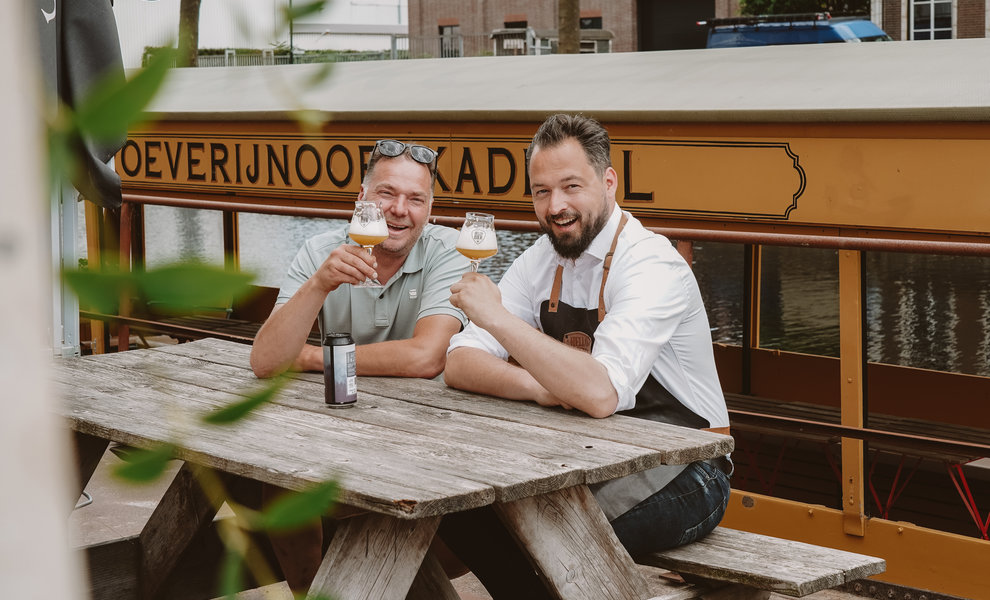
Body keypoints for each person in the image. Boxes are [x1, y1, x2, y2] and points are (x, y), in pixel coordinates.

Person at [441, 114, 732, 599]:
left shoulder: (651, 263)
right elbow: (460, 362)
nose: (556, 206)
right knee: (462, 518)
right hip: (582, 458)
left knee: (543, 542)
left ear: (609, 181)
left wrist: (496, 318)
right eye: (541, 192)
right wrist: (539, 387)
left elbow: (600, 393)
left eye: (571, 186)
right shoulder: (540, 259)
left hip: (688, 466)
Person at [249, 139, 470, 591]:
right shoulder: (321, 252)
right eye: (387, 194)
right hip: (337, 431)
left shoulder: (449, 250)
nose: (399, 210)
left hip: (430, 437)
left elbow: (426, 357)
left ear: (430, 209)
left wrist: (315, 357)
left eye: (416, 199)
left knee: (461, 527)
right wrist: (319, 284)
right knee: (282, 482)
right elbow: (267, 361)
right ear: (362, 198)